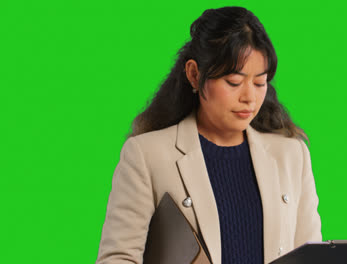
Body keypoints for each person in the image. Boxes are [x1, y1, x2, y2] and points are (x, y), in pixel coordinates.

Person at [95, 6, 321, 264]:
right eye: (234, 82)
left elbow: (310, 255)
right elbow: (117, 258)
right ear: (194, 75)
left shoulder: (292, 155)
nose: (249, 97)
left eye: (260, 83)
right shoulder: (147, 155)